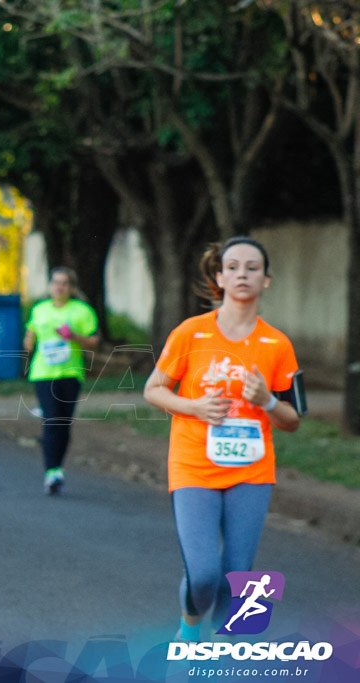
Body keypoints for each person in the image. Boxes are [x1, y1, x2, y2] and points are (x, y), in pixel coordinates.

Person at [143, 236, 301, 643]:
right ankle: (189, 631)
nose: (242, 274)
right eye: (233, 267)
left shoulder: (278, 344)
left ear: (266, 280)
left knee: (237, 580)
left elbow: (292, 420)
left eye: (252, 267)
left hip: (251, 471)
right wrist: (195, 407)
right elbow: (154, 389)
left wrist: (266, 400)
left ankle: (218, 647)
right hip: (194, 466)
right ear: (219, 277)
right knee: (204, 575)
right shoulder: (191, 334)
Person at [22, 266, 100, 495]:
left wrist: (73, 336)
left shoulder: (82, 311)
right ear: (50, 286)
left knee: (64, 422)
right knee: (52, 418)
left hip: (70, 373)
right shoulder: (40, 310)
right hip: (44, 373)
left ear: (72, 287)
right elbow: (30, 337)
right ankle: (51, 471)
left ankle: (57, 467)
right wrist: (28, 342)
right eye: (55, 282)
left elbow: (94, 342)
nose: (59, 286)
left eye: (64, 283)